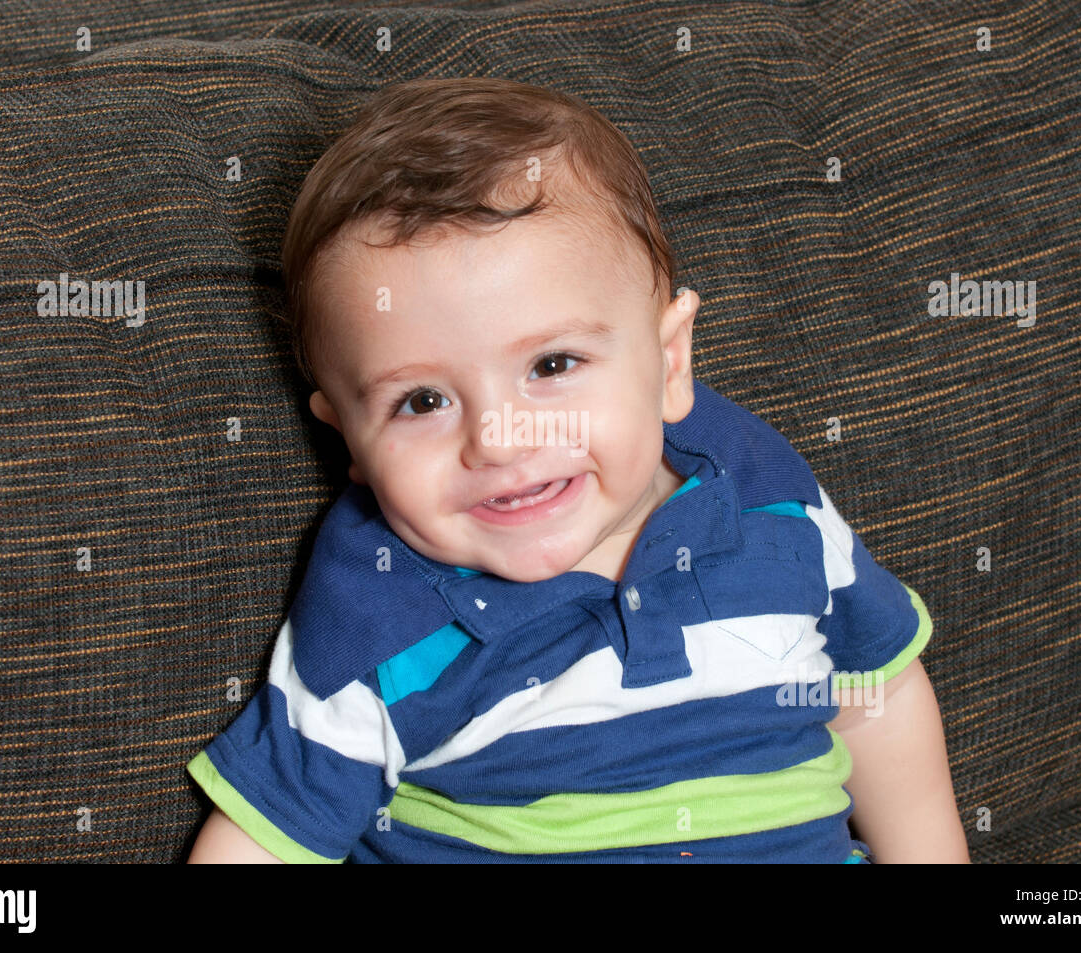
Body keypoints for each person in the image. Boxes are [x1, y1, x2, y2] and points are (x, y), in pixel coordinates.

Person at [185, 76, 969, 863]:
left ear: (669, 363)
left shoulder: (772, 508)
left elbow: (876, 697)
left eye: (553, 362)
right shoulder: (376, 613)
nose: (498, 438)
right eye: (421, 401)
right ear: (350, 439)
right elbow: (261, 836)